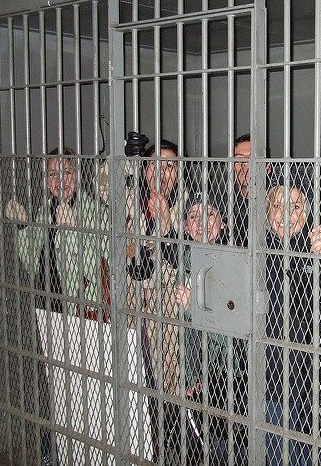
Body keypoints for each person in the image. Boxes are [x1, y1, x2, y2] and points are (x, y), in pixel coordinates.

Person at [5, 147, 109, 465]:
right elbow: (32, 262)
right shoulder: (46, 209)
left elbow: (97, 272)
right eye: (52, 174)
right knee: (59, 388)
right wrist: (23, 227)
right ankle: (59, 454)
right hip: (50, 313)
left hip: (83, 314)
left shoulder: (95, 212)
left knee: (85, 390)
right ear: (45, 180)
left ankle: (76, 454)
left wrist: (73, 232)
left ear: (77, 175)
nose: (59, 180)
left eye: (65, 172)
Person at [264, 169, 321, 466]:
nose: (285, 214)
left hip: (320, 385)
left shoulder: (320, 248)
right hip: (272, 383)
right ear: (268, 210)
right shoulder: (255, 251)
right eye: (277, 204)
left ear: (306, 211)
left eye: (295, 206)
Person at [174, 191, 247, 466]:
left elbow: (229, 323)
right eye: (193, 215)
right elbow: (185, 329)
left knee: (234, 448)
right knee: (210, 449)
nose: (201, 221)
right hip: (203, 374)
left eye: (210, 213)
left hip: (232, 372)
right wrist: (190, 375)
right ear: (184, 226)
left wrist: (194, 307)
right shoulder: (187, 259)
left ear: (223, 222)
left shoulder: (234, 257)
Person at [124, 138, 185, 462]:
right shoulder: (129, 200)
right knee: (135, 378)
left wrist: (165, 225)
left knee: (169, 385)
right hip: (133, 307)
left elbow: (182, 257)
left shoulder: (188, 205)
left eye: (171, 166)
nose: (162, 172)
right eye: (155, 164)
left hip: (169, 309)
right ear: (145, 169)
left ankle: (168, 448)